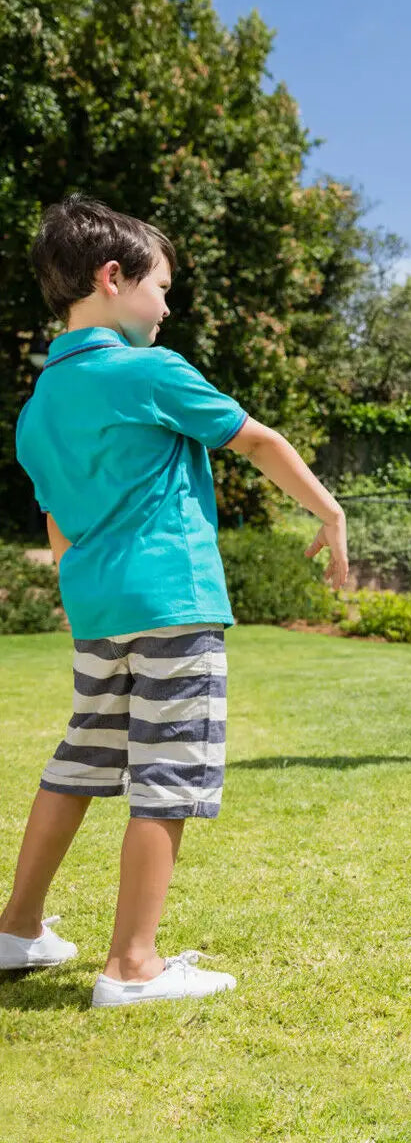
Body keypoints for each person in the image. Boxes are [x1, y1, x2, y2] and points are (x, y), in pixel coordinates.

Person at [0, 194, 349, 1006]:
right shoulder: (149, 370)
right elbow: (257, 439)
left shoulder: (38, 407)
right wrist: (329, 512)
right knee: (169, 772)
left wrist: (94, 588)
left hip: (97, 610)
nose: (165, 308)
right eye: (161, 288)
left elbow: (58, 527)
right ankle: (133, 967)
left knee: (82, 759)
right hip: (172, 600)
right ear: (112, 277)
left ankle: (17, 928)